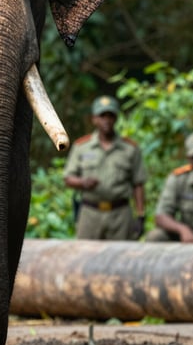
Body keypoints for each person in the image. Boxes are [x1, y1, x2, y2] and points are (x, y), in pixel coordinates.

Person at [63, 95, 147, 240]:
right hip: (90, 213)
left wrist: (140, 215)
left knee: (121, 258)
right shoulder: (82, 147)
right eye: (102, 116)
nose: (106, 120)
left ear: (116, 118)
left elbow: (138, 184)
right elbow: (68, 178)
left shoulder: (130, 149)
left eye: (110, 116)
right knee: (85, 257)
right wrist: (83, 182)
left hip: (120, 214)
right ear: (94, 119)